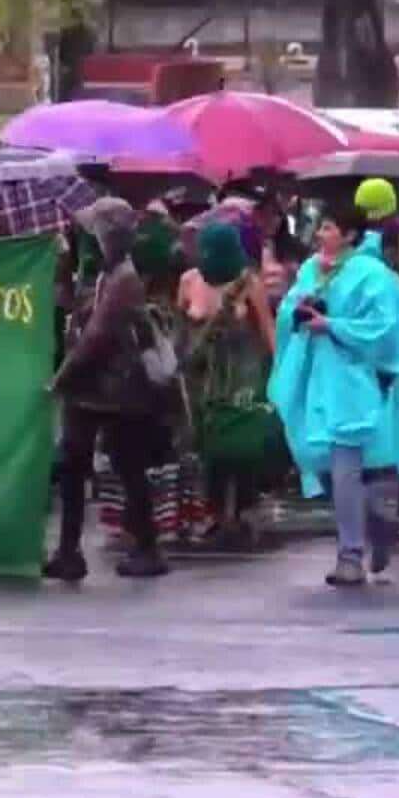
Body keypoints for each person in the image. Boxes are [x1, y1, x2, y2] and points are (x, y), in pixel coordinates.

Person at [268, 200, 399, 587]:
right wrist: (299, 311)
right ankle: (377, 523)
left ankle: (350, 554)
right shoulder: (309, 269)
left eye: (329, 228)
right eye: (320, 228)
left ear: (350, 234)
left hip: (353, 383)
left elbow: (383, 328)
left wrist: (332, 325)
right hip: (314, 379)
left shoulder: (373, 275)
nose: (321, 235)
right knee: (320, 462)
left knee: (345, 465)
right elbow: (288, 312)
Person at [45, 198, 172, 582]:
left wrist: (60, 379)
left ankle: (148, 548)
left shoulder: (124, 280)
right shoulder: (103, 274)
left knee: (128, 466)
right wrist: (62, 269)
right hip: (93, 389)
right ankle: (68, 552)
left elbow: (97, 337)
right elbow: (76, 311)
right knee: (74, 466)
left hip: (117, 390)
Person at [180, 222, 278, 544]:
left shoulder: (249, 284)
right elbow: (180, 330)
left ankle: (244, 508)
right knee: (207, 446)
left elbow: (267, 332)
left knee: (242, 445)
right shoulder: (189, 281)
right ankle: (214, 513)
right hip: (202, 378)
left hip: (241, 376)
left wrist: (279, 374)